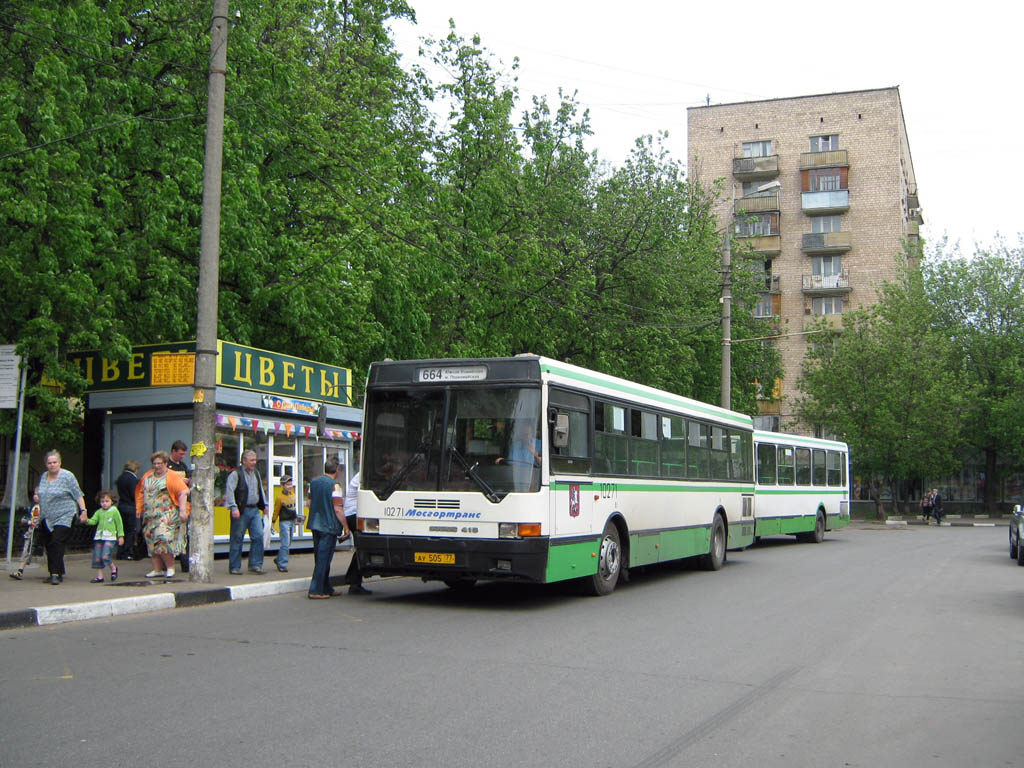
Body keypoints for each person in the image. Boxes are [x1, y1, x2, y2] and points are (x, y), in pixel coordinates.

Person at [34, 450, 88, 585]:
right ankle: (55, 571)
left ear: (60, 463)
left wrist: (83, 511)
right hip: (47, 516)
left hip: (65, 514)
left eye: (55, 462)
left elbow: (78, 494)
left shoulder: (67, 476)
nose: (52, 465)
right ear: (46, 464)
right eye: (49, 463)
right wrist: (37, 499)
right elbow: (41, 494)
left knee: (56, 541)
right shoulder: (44, 477)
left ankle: (55, 574)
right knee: (49, 544)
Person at [135, 451, 190, 579]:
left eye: (159, 463)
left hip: (167, 514)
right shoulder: (147, 476)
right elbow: (141, 493)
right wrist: (139, 508)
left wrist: (183, 511)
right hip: (150, 515)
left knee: (163, 538)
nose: (157, 466)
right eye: (154, 463)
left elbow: (183, 492)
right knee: (151, 541)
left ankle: (170, 567)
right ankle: (157, 569)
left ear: (165, 463)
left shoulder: (172, 476)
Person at [306, 458, 347, 599]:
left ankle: (326, 587)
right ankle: (315, 590)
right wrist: (346, 527)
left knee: (320, 557)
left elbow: (309, 503)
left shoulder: (314, 482)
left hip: (314, 524)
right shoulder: (335, 486)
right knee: (324, 558)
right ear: (336, 470)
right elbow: (338, 509)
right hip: (329, 526)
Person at [224, 449, 269, 575]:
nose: (254, 463)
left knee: (258, 536)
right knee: (237, 538)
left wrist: (264, 504)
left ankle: (255, 564)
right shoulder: (235, 474)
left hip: (254, 509)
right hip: (241, 510)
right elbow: (230, 491)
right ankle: (234, 566)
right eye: (251, 460)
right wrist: (234, 508)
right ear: (244, 461)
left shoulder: (256, 473)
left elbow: (260, 489)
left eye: (255, 460)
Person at [80, 489, 125, 583]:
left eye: (107, 501)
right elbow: (93, 521)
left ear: (112, 501)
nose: (104, 504)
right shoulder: (99, 512)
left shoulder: (114, 511)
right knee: (97, 556)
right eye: (102, 501)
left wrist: (121, 536)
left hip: (110, 537)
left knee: (105, 555)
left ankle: (113, 568)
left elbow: (119, 524)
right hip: (99, 537)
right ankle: (100, 576)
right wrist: (87, 520)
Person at [343, 468, 370, 595]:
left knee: (361, 547)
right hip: (353, 514)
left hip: (353, 514)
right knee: (363, 546)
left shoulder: (362, 475)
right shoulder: (363, 475)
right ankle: (353, 581)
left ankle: (354, 581)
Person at [167, 440, 192, 573]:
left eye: (184, 454)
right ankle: (168, 563)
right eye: (180, 454)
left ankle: (185, 564)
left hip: (183, 503)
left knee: (183, 535)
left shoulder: (183, 465)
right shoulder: (166, 465)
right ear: (173, 451)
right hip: (170, 504)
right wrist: (177, 480)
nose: (182, 457)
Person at [272, 475, 299, 573]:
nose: (289, 486)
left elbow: (293, 509)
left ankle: (279, 559)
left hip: (291, 521)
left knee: (289, 542)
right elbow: (276, 511)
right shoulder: (280, 498)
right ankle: (282, 564)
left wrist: (296, 518)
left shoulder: (293, 495)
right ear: (282, 486)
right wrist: (273, 522)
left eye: (290, 484)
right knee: (285, 543)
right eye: (287, 484)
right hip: (284, 522)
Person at [114, 460, 141, 560]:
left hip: (121, 505)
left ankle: (120, 551)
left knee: (122, 530)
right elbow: (134, 494)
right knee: (130, 530)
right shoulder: (133, 479)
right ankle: (126, 552)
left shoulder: (121, 478)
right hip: (130, 507)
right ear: (135, 469)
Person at [8, 503, 41, 580]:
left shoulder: (44, 505)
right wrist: (25, 519)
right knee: (26, 550)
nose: (36, 496)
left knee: (51, 550)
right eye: (35, 493)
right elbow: (28, 517)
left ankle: (55, 572)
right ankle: (20, 571)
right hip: (32, 531)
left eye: (38, 493)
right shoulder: (32, 506)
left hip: (43, 532)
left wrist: (29, 521)